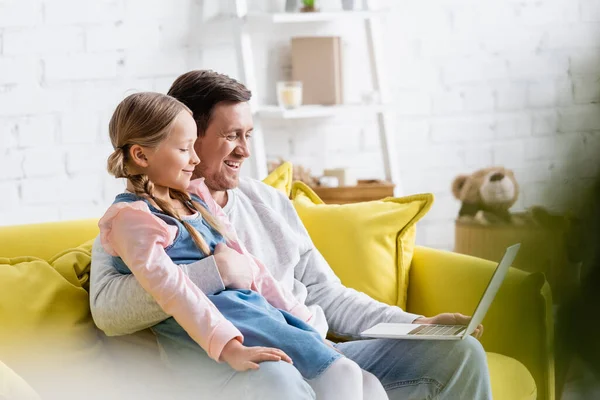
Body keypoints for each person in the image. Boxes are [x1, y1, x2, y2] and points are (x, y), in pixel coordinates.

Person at [90, 70, 491, 399]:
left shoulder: (268, 203)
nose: (244, 151)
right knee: (284, 378)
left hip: (313, 346)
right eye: (231, 135)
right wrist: (217, 271)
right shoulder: (136, 217)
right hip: (242, 362)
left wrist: (417, 325)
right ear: (188, 134)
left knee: (459, 352)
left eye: (248, 135)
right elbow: (109, 312)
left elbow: (326, 294)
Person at [98, 91, 387, 400]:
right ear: (142, 156)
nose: (195, 159)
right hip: (219, 333)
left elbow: (254, 271)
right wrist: (229, 346)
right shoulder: (132, 220)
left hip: (256, 313)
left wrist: (303, 326)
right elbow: (172, 290)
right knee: (340, 375)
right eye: (184, 149)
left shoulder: (196, 198)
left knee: (362, 380)